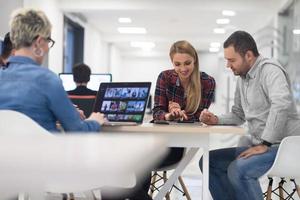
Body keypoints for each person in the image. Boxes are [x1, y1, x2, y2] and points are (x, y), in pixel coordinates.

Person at [199, 30, 300, 200]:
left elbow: (281, 105)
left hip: (285, 148)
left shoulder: (270, 70)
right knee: (209, 162)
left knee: (239, 170)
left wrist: (265, 143)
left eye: (232, 60)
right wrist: (216, 120)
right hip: (261, 145)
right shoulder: (243, 78)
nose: (228, 65)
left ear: (248, 55)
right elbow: (238, 114)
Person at [0, 8, 105, 132]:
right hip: (44, 150)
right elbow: (77, 130)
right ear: (39, 42)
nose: (48, 48)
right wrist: (95, 121)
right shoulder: (47, 80)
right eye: (48, 42)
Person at [152, 40, 216, 169]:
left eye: (187, 63)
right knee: (135, 159)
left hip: (181, 142)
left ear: (195, 61)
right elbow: (157, 112)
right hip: (159, 139)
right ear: (172, 63)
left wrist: (181, 116)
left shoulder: (207, 82)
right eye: (177, 64)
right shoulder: (164, 77)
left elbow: (200, 117)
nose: (183, 69)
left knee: (141, 163)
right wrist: (169, 116)